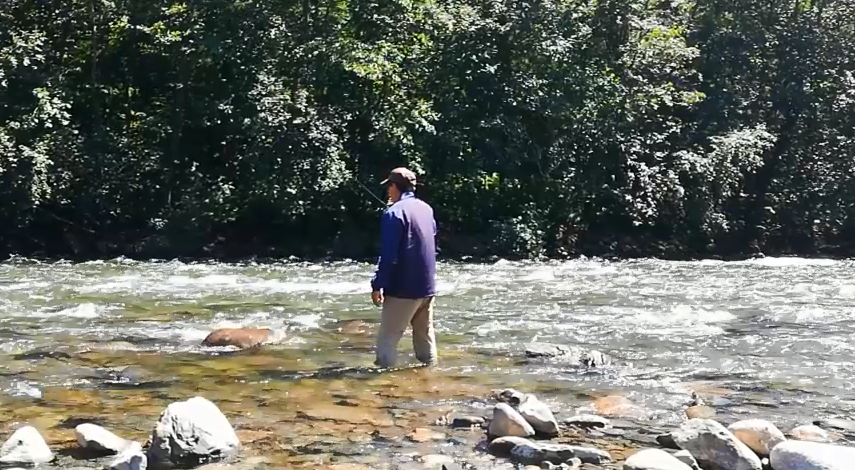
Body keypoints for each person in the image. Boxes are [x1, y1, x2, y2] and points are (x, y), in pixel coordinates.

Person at [370, 167, 438, 368]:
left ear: (394, 186)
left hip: (403, 288)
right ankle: (431, 376)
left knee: (388, 338)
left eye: (388, 187)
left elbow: (389, 256)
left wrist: (377, 284)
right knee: (425, 336)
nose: (388, 192)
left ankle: (384, 381)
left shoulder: (393, 213)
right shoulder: (426, 209)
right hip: (427, 287)